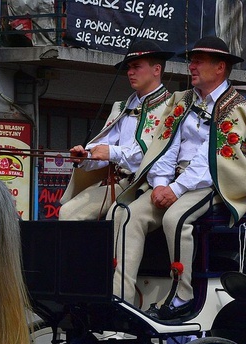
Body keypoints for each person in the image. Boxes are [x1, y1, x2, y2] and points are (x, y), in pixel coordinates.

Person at [113, 36, 246, 320]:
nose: (191, 66)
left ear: (220, 67)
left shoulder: (235, 107)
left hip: (217, 182)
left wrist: (175, 188)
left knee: (177, 218)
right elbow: (166, 143)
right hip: (174, 179)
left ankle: (182, 295)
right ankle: (121, 297)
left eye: (198, 61)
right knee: (127, 214)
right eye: (191, 60)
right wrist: (160, 183)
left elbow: (214, 159)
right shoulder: (183, 100)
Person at [60, 40, 173, 220]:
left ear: (156, 69)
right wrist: (86, 157)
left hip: (152, 185)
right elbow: (105, 150)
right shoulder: (121, 108)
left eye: (136, 66)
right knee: (68, 213)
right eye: (128, 68)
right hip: (122, 183)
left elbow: (151, 155)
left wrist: (110, 152)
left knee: (116, 215)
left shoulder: (172, 107)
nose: (130, 72)